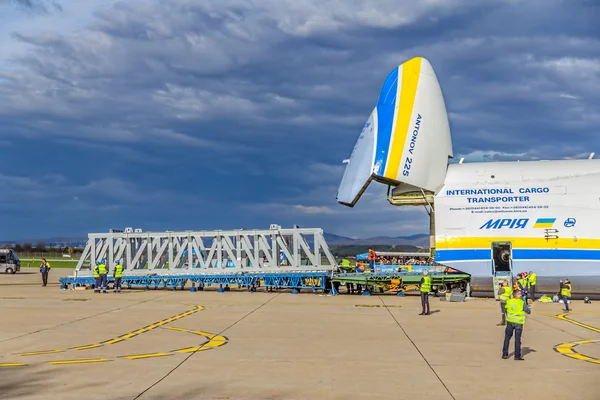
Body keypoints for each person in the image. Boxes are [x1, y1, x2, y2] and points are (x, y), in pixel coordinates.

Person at [502, 290, 531, 360]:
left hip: (510, 321)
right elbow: (528, 311)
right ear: (516, 295)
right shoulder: (521, 302)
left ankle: (505, 354)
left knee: (507, 338)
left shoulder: (509, 301)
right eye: (519, 294)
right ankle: (517, 355)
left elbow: (505, 309)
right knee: (517, 339)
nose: (520, 295)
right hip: (518, 322)